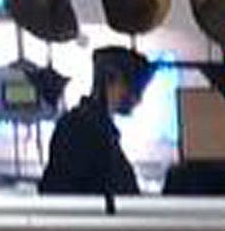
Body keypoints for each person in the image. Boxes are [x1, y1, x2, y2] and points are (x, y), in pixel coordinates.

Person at [38, 48, 146, 198]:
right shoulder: (80, 129)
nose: (138, 98)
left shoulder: (96, 127)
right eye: (133, 87)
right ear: (110, 79)